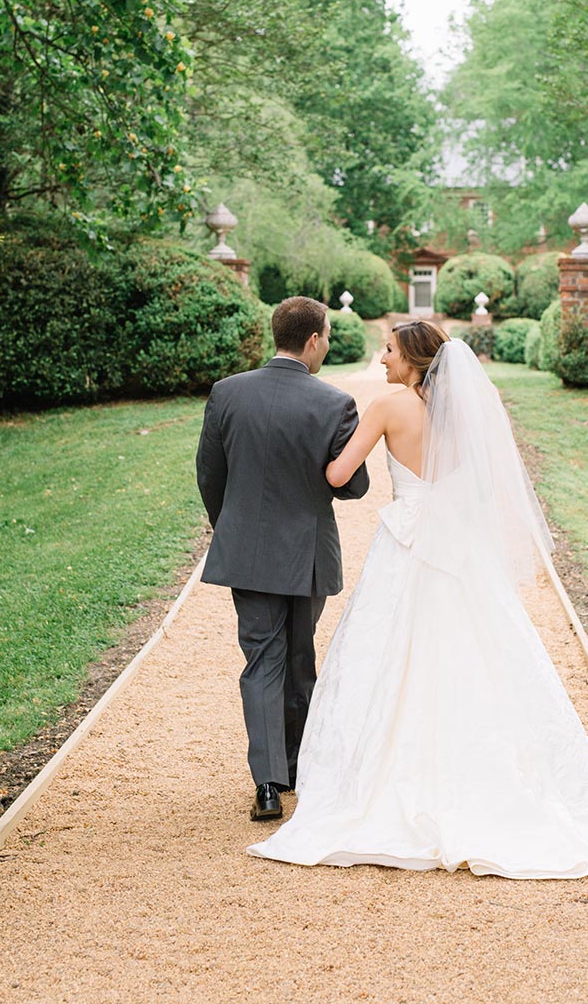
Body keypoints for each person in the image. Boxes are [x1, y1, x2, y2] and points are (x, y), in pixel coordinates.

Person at [249, 320, 588, 878]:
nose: (382, 359)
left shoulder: (389, 407)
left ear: (412, 358)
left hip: (405, 547)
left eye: (388, 350)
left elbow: (339, 472)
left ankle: (387, 780)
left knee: (389, 654)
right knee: (475, 652)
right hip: (458, 549)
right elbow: (482, 489)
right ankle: (490, 777)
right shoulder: (465, 416)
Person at [196, 296, 370, 823]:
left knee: (261, 662)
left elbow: (210, 475)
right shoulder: (335, 404)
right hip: (307, 555)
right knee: (300, 658)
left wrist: (234, 526)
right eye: (328, 338)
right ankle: (298, 766)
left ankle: (268, 785)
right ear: (313, 339)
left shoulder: (226, 393)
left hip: (245, 551)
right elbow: (355, 487)